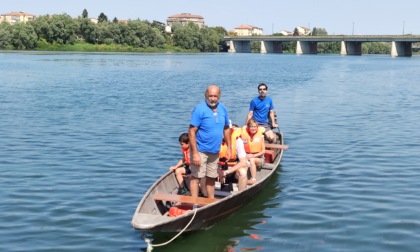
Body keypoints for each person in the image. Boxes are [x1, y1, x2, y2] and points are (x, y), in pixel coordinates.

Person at [189, 85, 231, 199]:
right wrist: (195, 153)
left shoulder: (223, 109)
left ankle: (210, 201)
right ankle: (194, 203)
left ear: (219, 96)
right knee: (196, 177)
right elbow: (192, 131)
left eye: (215, 96)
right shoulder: (199, 109)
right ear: (206, 95)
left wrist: (229, 148)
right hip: (200, 150)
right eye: (210, 96)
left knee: (211, 177)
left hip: (214, 151)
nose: (212, 98)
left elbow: (226, 128)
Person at [217, 123, 248, 191]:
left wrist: (226, 172)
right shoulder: (214, 140)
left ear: (231, 130)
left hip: (232, 169)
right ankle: (203, 194)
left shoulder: (237, 141)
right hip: (217, 169)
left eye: (227, 130)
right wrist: (219, 171)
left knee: (243, 172)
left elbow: (243, 162)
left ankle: (241, 195)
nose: (225, 132)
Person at [241, 119, 266, 184]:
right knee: (243, 161)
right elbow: (240, 148)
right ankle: (242, 179)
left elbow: (263, 151)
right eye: (252, 127)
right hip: (246, 156)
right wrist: (246, 155)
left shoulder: (261, 136)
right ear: (248, 128)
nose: (253, 128)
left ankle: (253, 179)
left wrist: (253, 156)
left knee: (252, 160)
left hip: (259, 158)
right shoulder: (243, 135)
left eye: (255, 127)